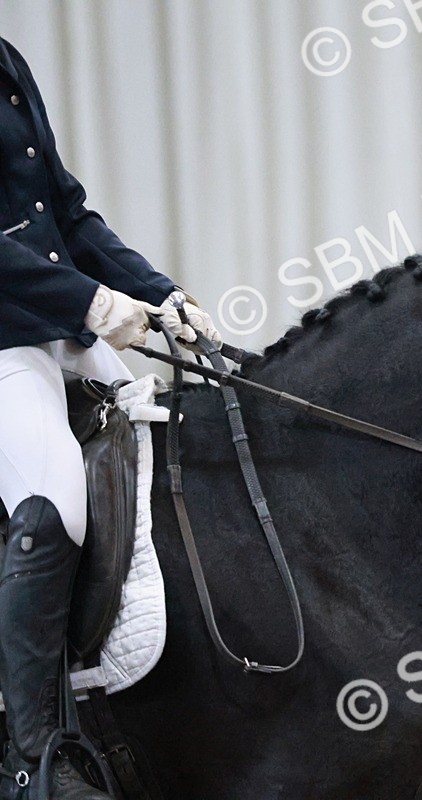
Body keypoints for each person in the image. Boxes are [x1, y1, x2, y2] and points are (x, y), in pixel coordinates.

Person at [0, 36, 221, 799]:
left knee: (150, 426)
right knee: (58, 493)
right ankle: (33, 757)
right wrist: (91, 303)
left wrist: (159, 294)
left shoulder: (7, 59)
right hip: (3, 339)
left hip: (49, 320)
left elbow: (65, 213)